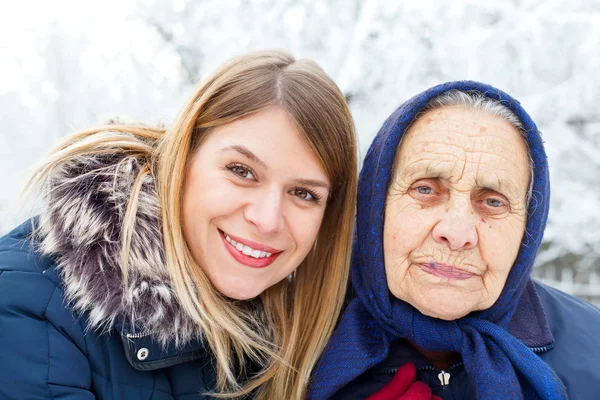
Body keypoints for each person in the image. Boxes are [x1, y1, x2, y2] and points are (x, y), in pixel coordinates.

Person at [0, 50, 358, 399]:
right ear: (182, 156)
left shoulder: (326, 342)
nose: (266, 220)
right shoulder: (29, 307)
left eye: (304, 194)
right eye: (241, 171)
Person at [309, 81, 600, 399]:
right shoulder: (290, 337)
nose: (457, 233)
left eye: (492, 201)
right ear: (374, 207)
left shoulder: (592, 347)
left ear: (527, 230)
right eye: (425, 189)